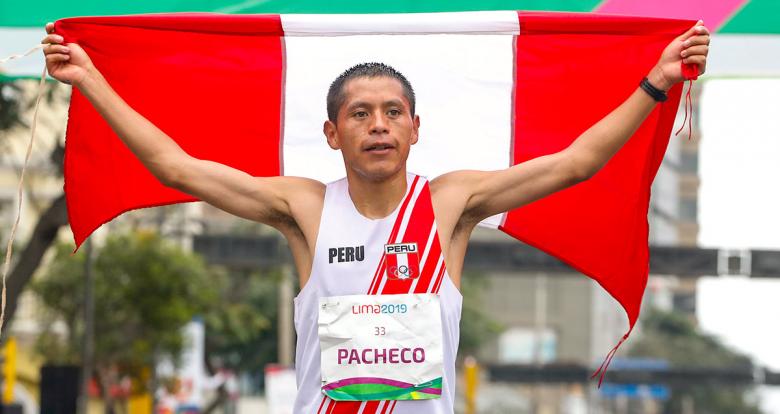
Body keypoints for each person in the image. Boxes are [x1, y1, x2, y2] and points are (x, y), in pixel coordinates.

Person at [42, 20, 710, 414]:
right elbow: (178, 169)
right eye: (360, 114)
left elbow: (574, 164)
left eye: (393, 113)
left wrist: (657, 80)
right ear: (333, 134)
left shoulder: (450, 204)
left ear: (416, 129)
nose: (378, 125)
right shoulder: (303, 207)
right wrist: (92, 80)